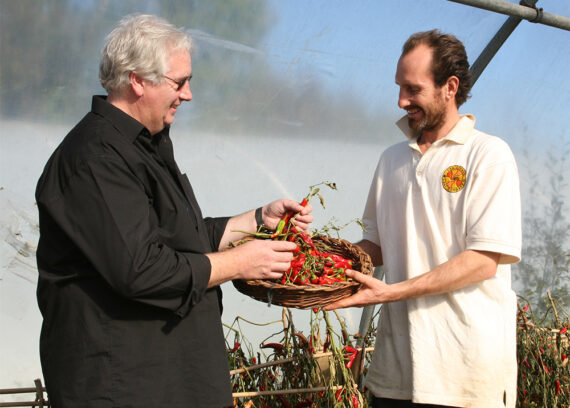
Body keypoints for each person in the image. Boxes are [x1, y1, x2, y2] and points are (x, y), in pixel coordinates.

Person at [35, 14, 312, 408]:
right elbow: (141, 268)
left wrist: (256, 220)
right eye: (179, 82)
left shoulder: (141, 146)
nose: (188, 95)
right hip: (122, 382)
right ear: (137, 80)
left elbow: (180, 238)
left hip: (163, 377)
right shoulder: (95, 157)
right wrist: (239, 263)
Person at [325, 29, 521, 408]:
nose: (401, 100)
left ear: (450, 86)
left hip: (464, 378)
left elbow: (483, 261)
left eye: (412, 89)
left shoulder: (488, 155)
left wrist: (391, 292)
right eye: (399, 87)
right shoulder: (392, 160)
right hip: (396, 375)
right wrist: (318, 258)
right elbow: (377, 246)